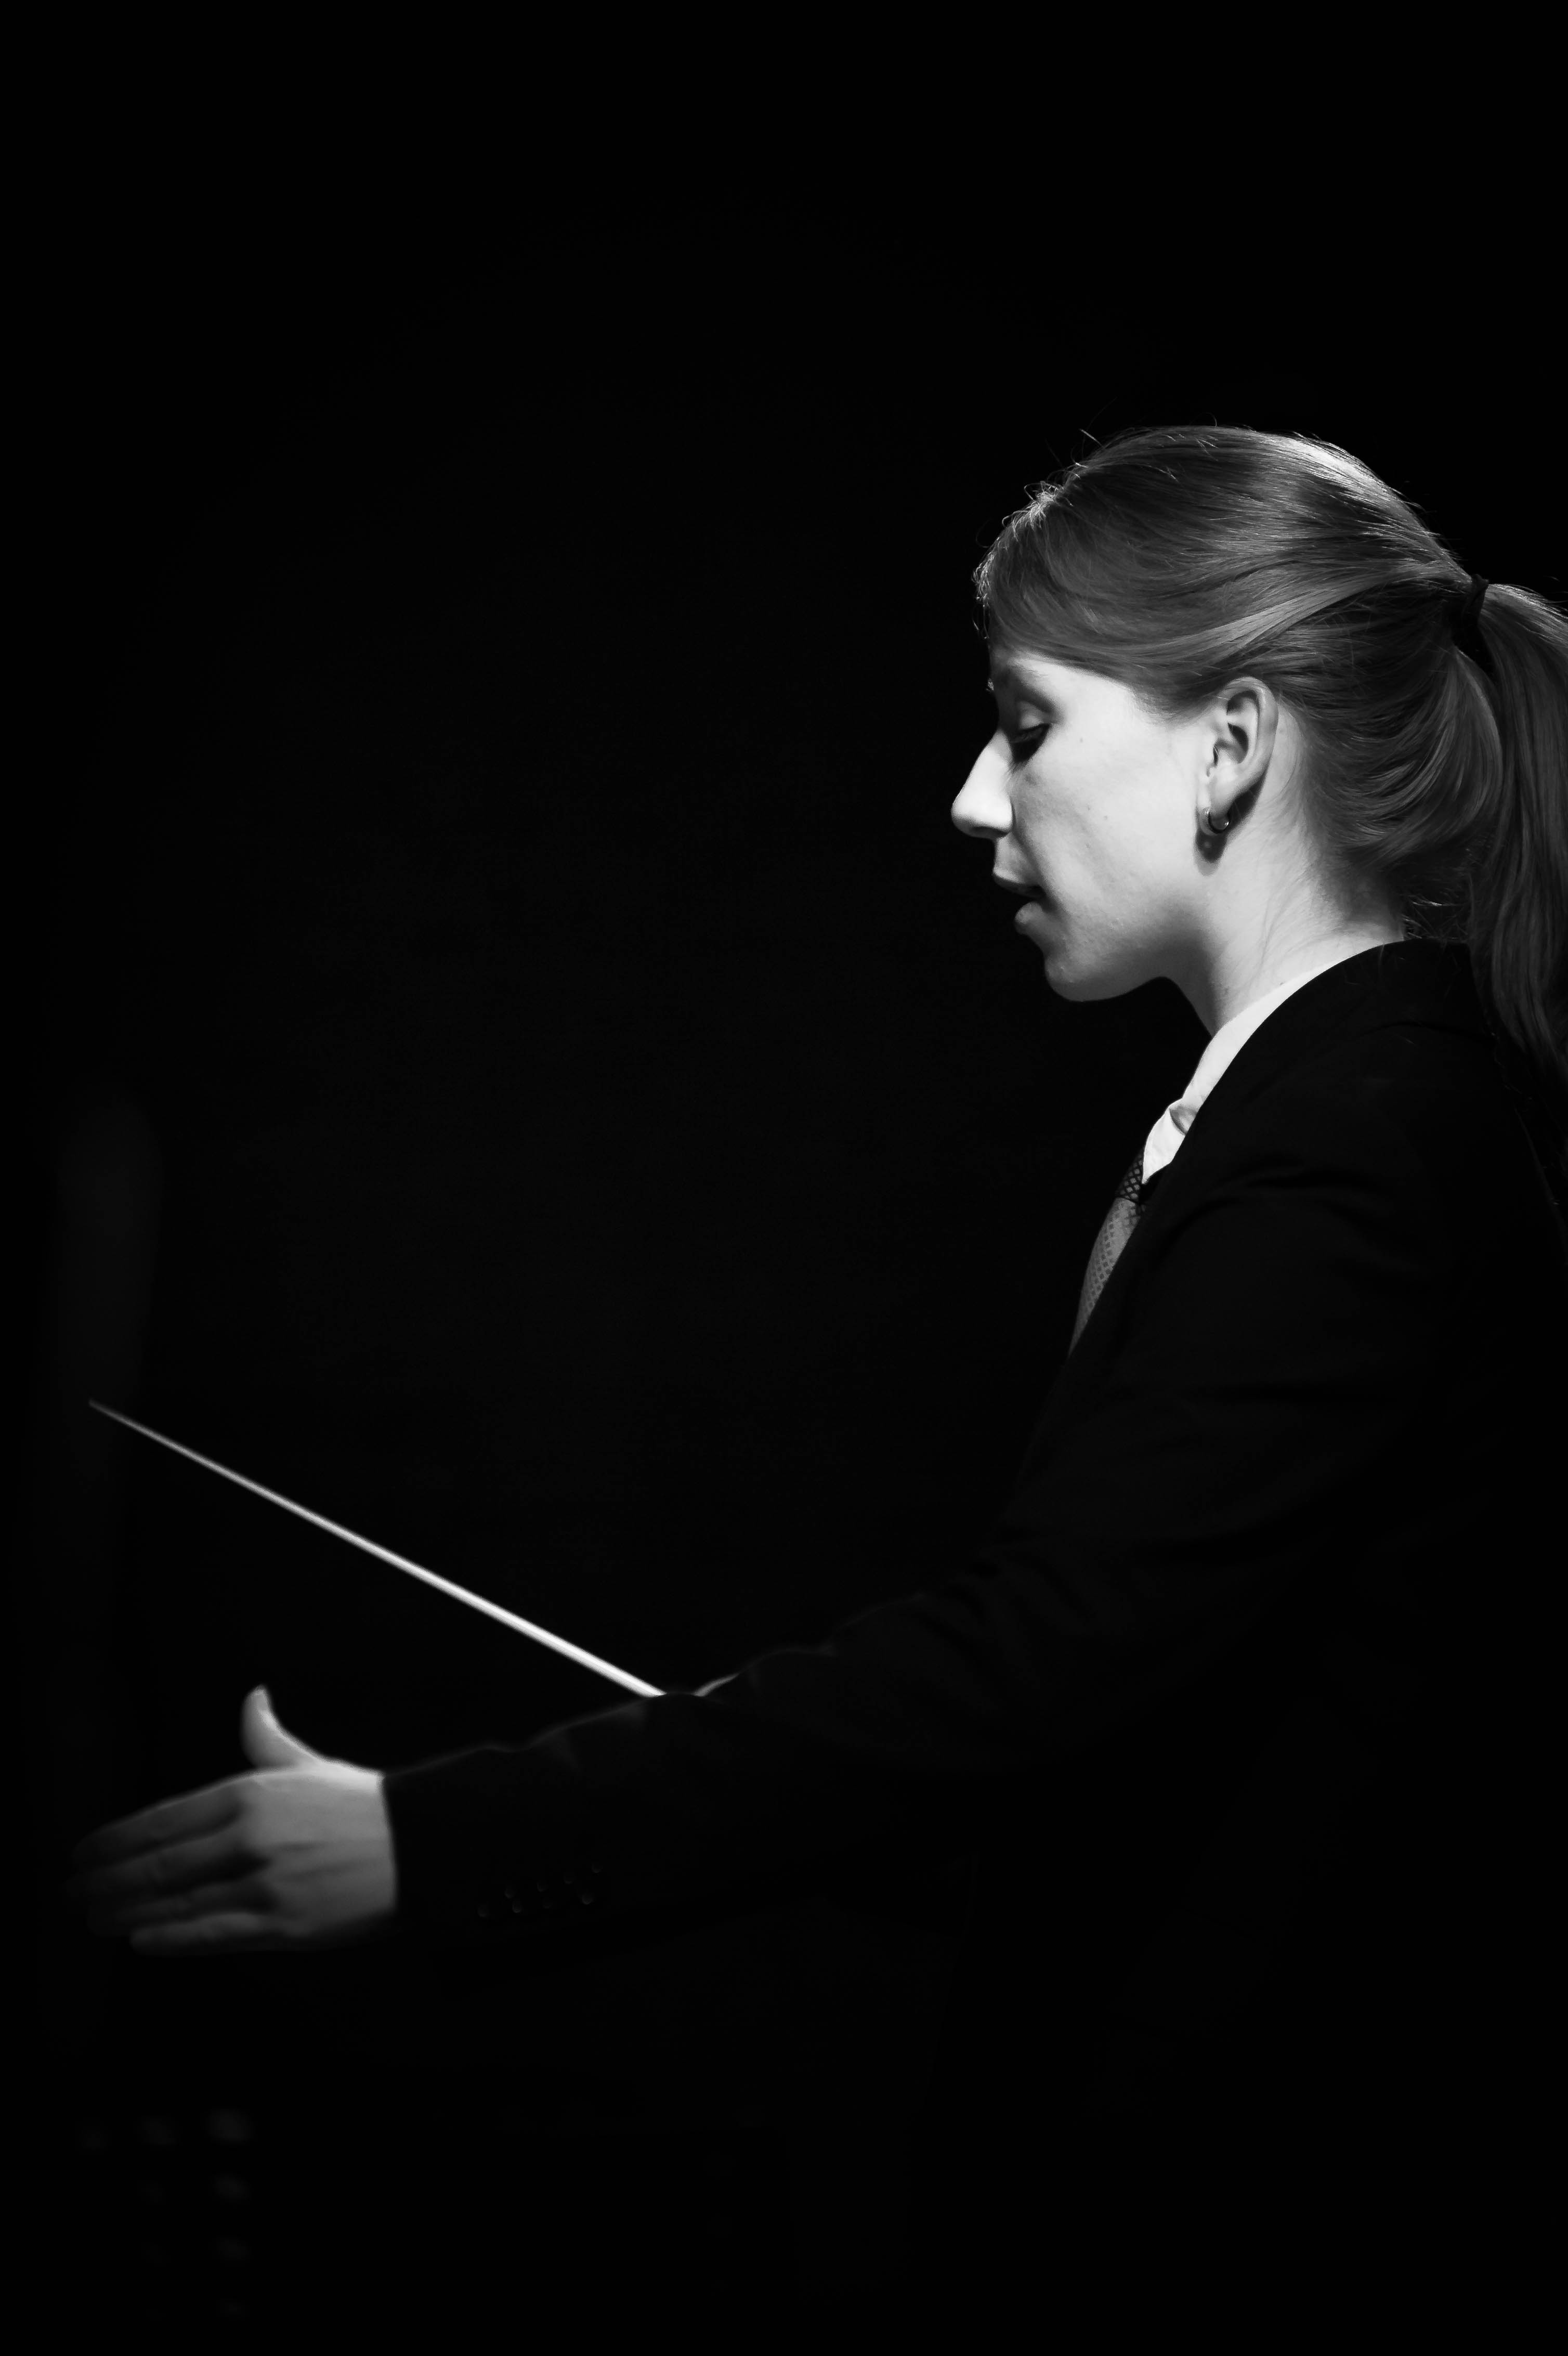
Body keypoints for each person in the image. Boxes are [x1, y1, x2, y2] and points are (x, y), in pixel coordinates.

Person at [68, 426, 1567, 2332]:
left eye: (1026, 724)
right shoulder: (1348, 1116)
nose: (971, 794)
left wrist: (432, 1839)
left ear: (1233, 744)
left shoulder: (1366, 1144)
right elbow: (1127, 1743)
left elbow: (1030, 1675)